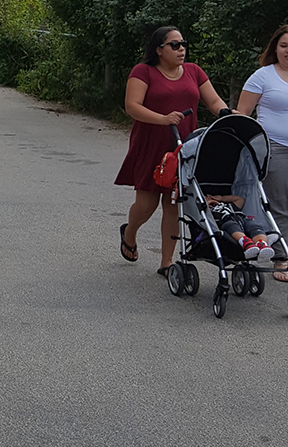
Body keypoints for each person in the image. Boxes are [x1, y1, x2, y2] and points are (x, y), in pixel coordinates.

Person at [116, 26, 231, 276]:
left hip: (184, 147)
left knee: (173, 204)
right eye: (175, 45)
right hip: (151, 145)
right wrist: (163, 119)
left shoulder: (193, 71)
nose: (182, 49)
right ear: (159, 50)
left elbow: (213, 101)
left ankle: (167, 262)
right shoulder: (143, 72)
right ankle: (130, 231)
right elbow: (132, 106)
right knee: (146, 205)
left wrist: (225, 113)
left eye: (183, 44)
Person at [233, 25, 288, 281]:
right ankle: (281, 257)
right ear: (275, 48)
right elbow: (242, 115)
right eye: (284, 46)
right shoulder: (263, 76)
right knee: (279, 203)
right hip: (274, 147)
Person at [204, 194, 276, 261]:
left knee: (254, 227)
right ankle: (246, 242)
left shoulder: (229, 205)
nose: (209, 197)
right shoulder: (208, 212)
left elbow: (240, 199)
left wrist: (222, 198)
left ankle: (261, 244)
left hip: (243, 219)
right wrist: (206, 203)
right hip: (226, 221)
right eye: (206, 197)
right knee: (232, 227)